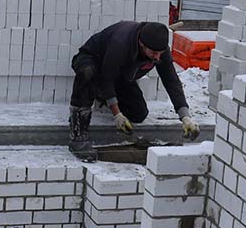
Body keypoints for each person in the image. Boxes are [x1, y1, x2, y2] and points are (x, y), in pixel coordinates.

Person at [68, 21, 198, 160]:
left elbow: (171, 81)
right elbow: (107, 77)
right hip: (93, 60)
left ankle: (102, 94)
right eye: (154, 53)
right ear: (142, 44)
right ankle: (78, 135)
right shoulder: (121, 42)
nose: (157, 57)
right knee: (88, 73)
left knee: (138, 113)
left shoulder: (158, 48)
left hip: (118, 73)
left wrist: (185, 117)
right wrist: (117, 114)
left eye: (161, 53)